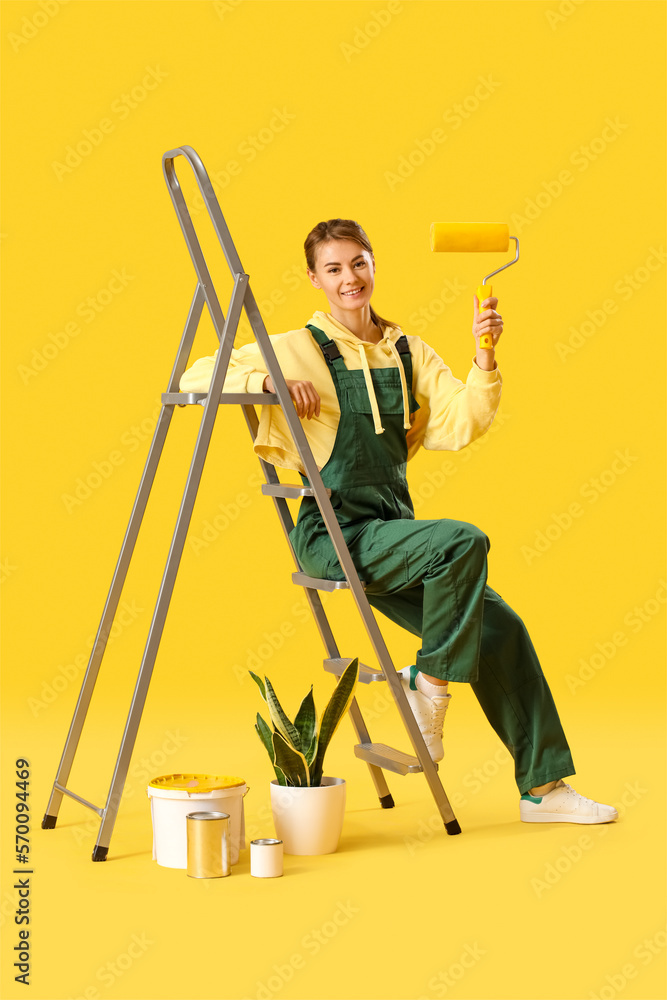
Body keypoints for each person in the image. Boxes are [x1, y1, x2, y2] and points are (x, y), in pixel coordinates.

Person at [180, 218, 617, 825]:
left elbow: (462, 420)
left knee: (504, 630)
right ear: (314, 279)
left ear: (373, 265)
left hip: (396, 531)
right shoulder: (294, 346)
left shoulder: (407, 349)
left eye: (357, 263)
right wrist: (268, 383)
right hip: (333, 535)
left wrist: (484, 356)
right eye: (333, 269)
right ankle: (429, 693)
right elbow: (196, 374)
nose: (348, 278)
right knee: (463, 541)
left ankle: (543, 789)